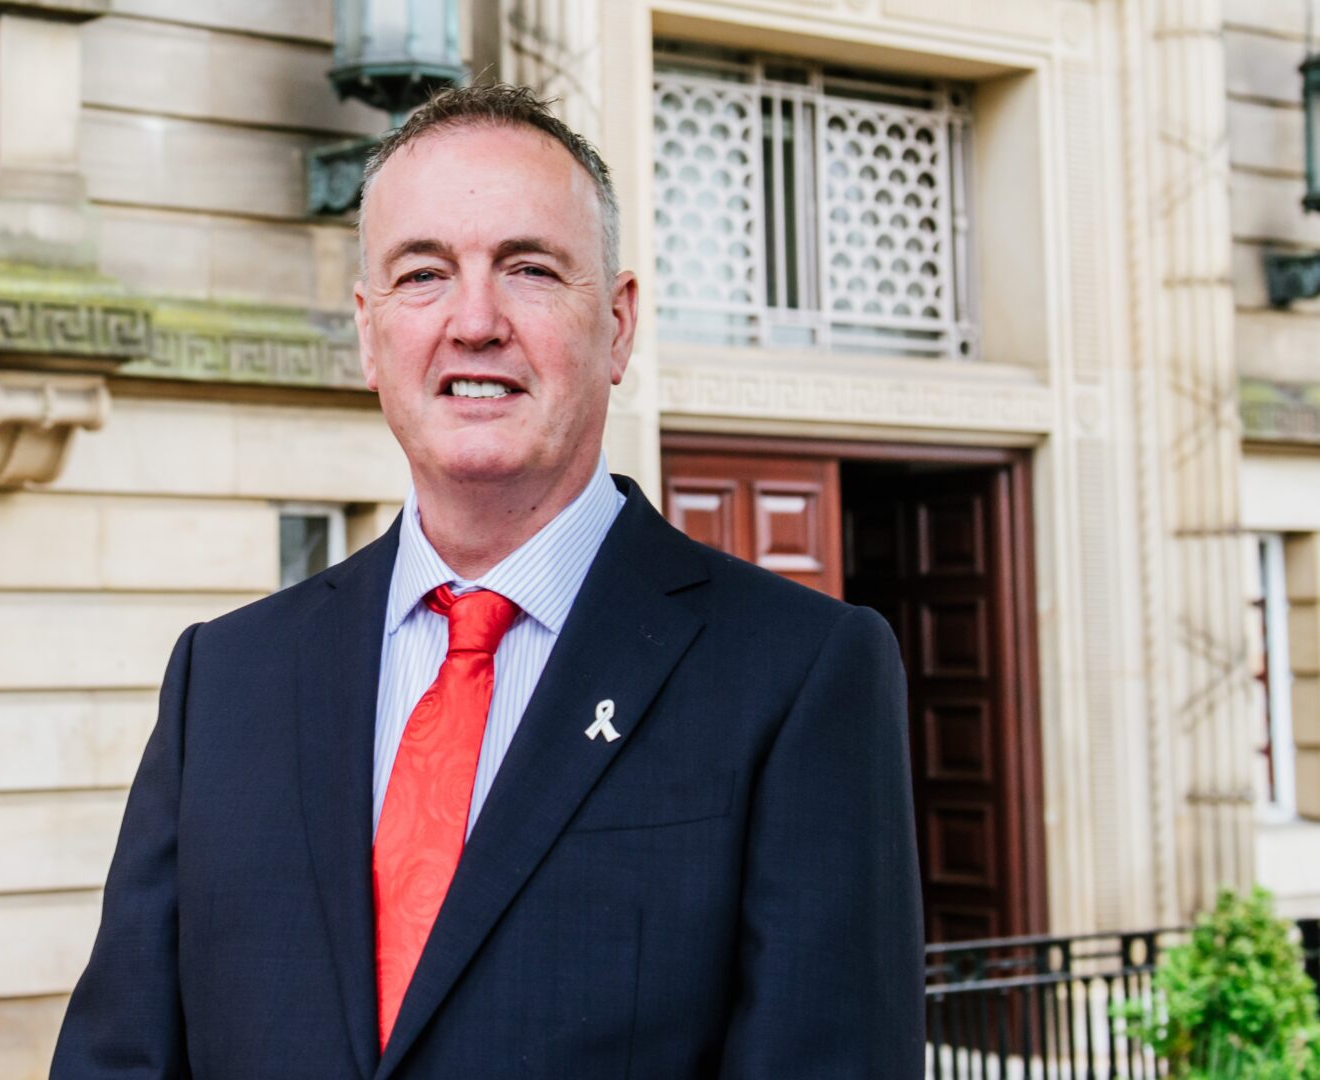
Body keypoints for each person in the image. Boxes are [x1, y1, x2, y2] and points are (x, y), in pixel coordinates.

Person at [50, 83, 923, 1079]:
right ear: (368, 334)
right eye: (422, 275)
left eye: (529, 269)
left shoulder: (800, 674)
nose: (473, 322)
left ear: (620, 324)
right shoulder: (226, 677)